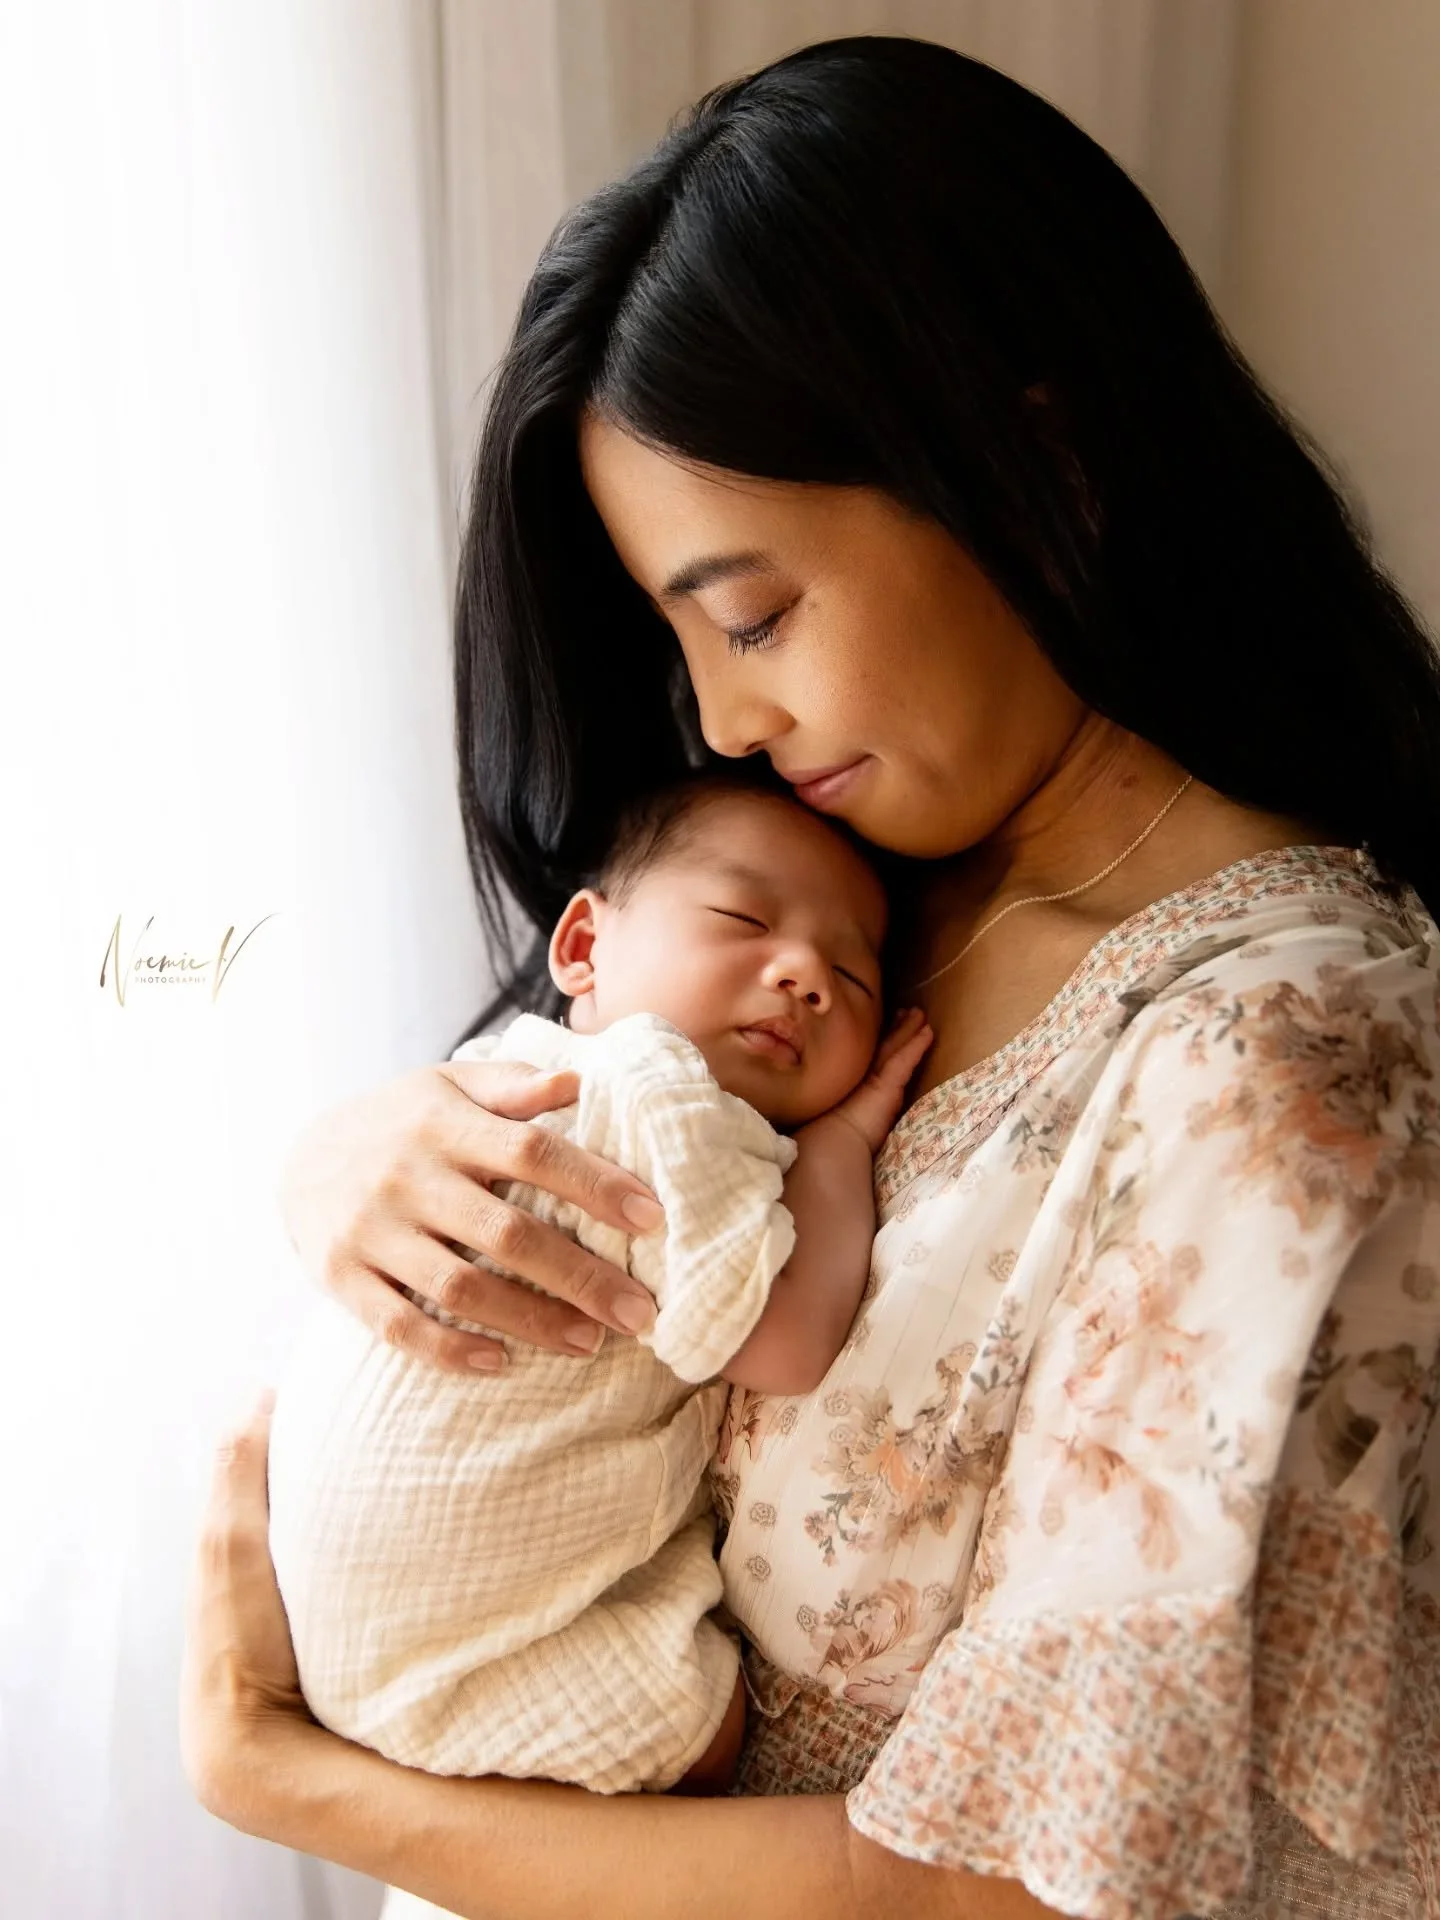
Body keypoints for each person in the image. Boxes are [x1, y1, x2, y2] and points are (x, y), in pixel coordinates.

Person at [180, 34, 1440, 1920]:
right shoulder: (848, 904)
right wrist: (354, 1157)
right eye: (678, 644)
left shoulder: (1279, 1064)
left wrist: (288, 1781)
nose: (723, 715)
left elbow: (1006, 1892)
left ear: (1035, 461)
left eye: (755, 614)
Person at [264, 771, 932, 1799]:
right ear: (581, 946)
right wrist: (841, 1146)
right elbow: (785, 1345)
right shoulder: (662, 1092)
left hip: (330, 1608)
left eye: (852, 976)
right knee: (711, 1735)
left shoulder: (502, 1072)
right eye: (741, 918)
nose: (803, 971)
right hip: (463, 1649)